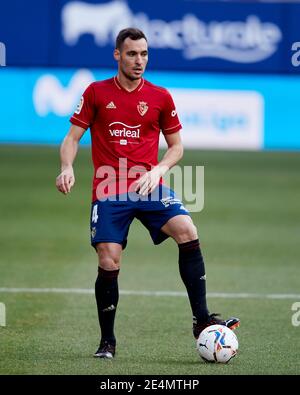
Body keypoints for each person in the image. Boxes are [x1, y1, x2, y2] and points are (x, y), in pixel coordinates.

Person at [56, 28, 240, 359]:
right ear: (117, 55)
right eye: (131, 54)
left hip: (148, 184)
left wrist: (158, 170)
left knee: (187, 229)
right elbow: (71, 138)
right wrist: (67, 166)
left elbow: (177, 147)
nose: (139, 61)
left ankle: (201, 320)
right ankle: (107, 341)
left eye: (144, 54)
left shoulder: (160, 97)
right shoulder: (96, 93)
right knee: (108, 258)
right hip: (109, 188)